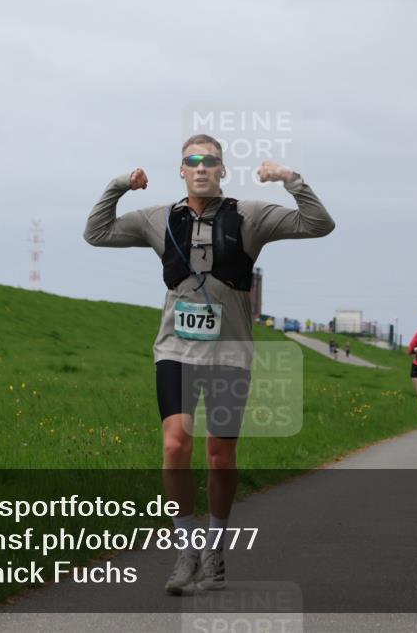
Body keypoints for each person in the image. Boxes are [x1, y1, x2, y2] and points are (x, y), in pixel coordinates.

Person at [84, 134, 335, 594]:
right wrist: (120, 184)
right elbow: (96, 233)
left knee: (221, 457)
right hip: (175, 351)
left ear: (222, 171)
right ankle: (185, 549)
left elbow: (319, 224)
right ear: (181, 170)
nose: (201, 168)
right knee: (176, 442)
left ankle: (215, 550)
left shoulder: (250, 216)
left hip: (230, 355)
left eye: (211, 162)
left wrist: (288, 178)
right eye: (192, 161)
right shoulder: (159, 218)